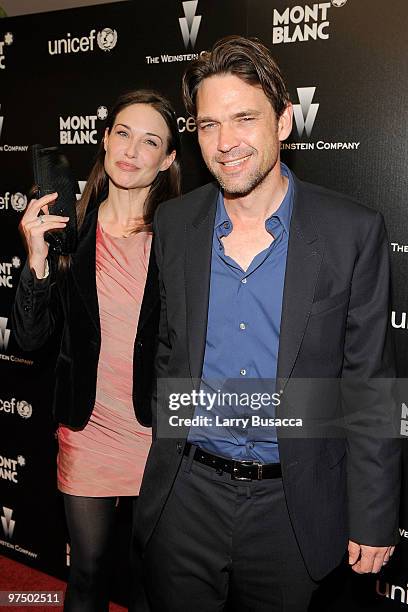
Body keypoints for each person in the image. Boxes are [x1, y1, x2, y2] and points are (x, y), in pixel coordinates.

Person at [134, 36, 401, 611]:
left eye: (244, 119)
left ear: (283, 121)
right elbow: (165, 349)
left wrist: (374, 515)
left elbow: (370, 384)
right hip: (185, 498)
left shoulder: (350, 231)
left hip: (295, 508)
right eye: (208, 125)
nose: (225, 143)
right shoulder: (176, 225)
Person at [12, 89, 181, 612]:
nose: (131, 150)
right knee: (85, 576)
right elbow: (29, 340)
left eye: (150, 141)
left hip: (158, 433)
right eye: (123, 134)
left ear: (169, 158)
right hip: (88, 428)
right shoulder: (70, 230)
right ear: (105, 140)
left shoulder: (181, 236)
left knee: (152, 582)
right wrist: (37, 259)